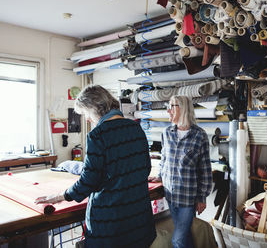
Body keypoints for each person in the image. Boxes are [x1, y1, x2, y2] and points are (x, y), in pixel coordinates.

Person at [35, 85, 156, 248]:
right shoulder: (136, 128)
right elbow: (145, 169)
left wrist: (62, 196)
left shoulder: (98, 135)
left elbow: (89, 181)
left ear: (94, 107)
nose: (86, 119)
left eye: (85, 113)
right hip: (139, 219)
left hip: (112, 225)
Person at [149, 95, 213, 248]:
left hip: (188, 199)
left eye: (172, 106)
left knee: (177, 239)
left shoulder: (200, 135)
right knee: (184, 236)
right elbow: (164, 159)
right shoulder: (166, 133)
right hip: (170, 195)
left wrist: (202, 197)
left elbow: (205, 170)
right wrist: (159, 176)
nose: (168, 111)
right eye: (168, 106)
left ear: (183, 108)